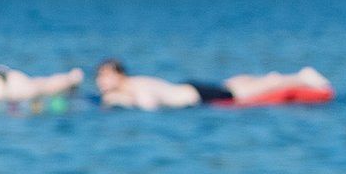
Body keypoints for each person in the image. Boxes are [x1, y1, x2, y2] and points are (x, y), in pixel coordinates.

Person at [94, 58, 332, 109]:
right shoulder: (133, 83)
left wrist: (122, 101)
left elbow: (150, 105)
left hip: (196, 96)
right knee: (235, 84)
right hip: (190, 89)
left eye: (105, 76)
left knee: (240, 93)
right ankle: (273, 77)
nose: (100, 82)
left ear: (119, 75)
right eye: (98, 77)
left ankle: (299, 77)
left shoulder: (133, 87)